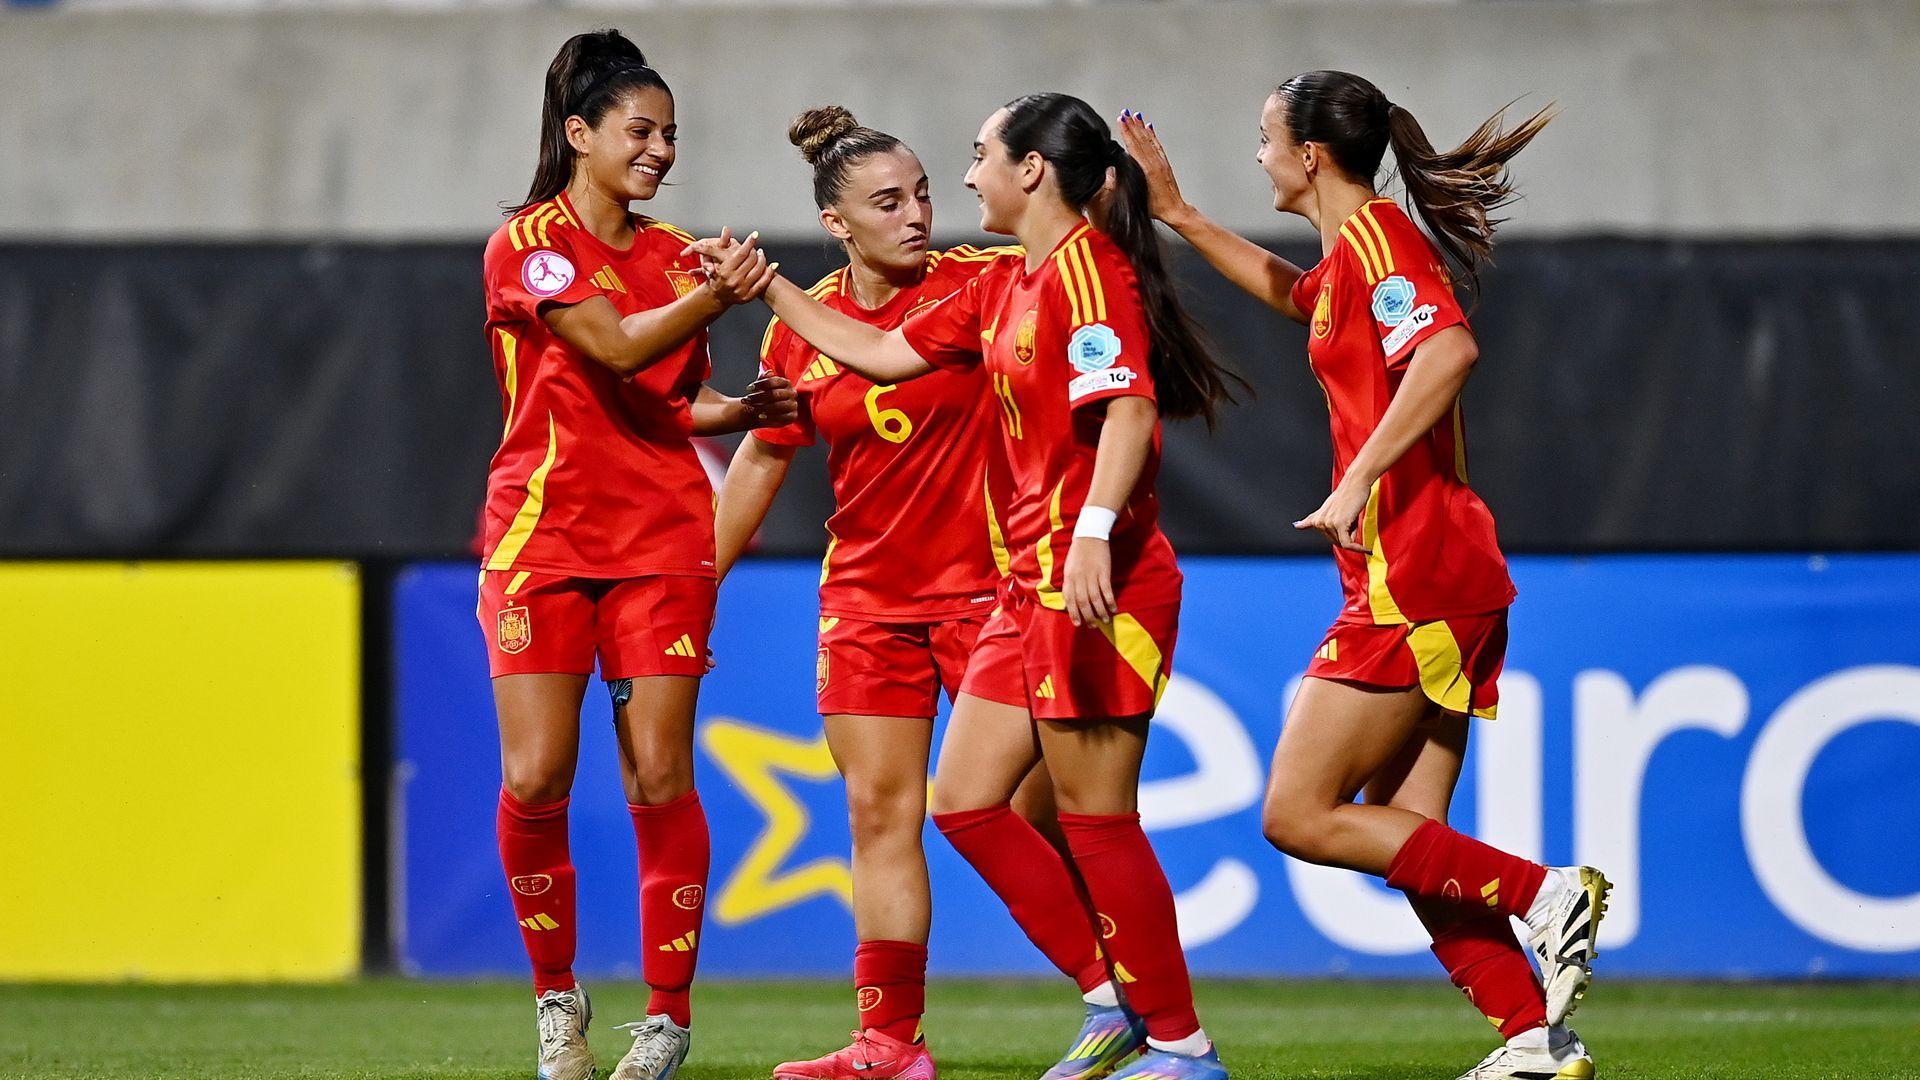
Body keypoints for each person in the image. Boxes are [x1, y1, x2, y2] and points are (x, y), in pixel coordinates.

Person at [698, 92, 1246, 1080]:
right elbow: (847, 375)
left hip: (1027, 582)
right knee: (928, 809)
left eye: (956, 168)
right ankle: (913, 1040)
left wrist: (1087, 535)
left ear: (1030, 170)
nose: (933, 201)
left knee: (1071, 814)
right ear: (838, 222)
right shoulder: (995, 287)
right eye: (889, 199)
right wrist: (768, 290)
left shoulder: (1023, 275)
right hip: (903, 599)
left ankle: (1160, 1026)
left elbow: (1127, 409)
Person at [1117, 72, 1608, 1080]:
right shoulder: (1352, 258)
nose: (1258, 155)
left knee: (1297, 813)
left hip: (1412, 574)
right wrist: (1178, 215)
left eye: (1263, 138)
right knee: (1407, 836)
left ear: (1311, 154)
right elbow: (1291, 295)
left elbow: (1450, 352)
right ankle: (1532, 1039)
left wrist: (1363, 477)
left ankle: (1544, 893)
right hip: (1437, 574)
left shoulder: (1381, 245)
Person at [479, 29, 794, 1080]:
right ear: (579, 134)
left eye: (671, 136)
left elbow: (661, 399)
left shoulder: (672, 255)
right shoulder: (530, 241)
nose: (660, 151)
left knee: (659, 774)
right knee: (536, 777)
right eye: (640, 130)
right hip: (543, 537)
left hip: (662, 539)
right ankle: (557, 1000)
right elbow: (611, 345)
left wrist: (742, 404)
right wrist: (721, 296)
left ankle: (665, 1019)